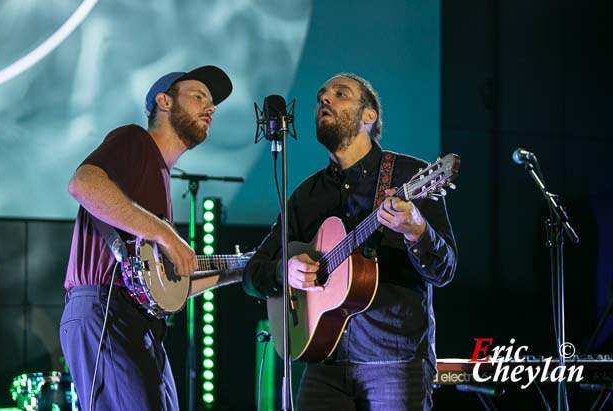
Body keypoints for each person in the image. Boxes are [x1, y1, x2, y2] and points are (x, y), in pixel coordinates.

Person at [243, 73, 457, 410]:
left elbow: (445, 271)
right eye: (321, 97)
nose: (324, 100)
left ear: (368, 117)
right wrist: (286, 272)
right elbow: (253, 274)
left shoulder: (408, 177)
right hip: (323, 363)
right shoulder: (307, 195)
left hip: (394, 361)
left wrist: (417, 229)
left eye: (339, 94)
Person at [60, 66, 235, 410]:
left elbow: (166, 286)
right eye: (199, 96)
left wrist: (240, 270)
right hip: (106, 309)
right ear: (164, 101)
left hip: (136, 320)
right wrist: (165, 234)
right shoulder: (134, 140)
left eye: (213, 104)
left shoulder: (159, 176)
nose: (210, 108)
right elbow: (83, 184)